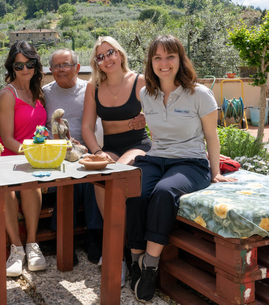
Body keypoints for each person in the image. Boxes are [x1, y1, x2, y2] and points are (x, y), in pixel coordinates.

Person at [127, 35, 237, 302]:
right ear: (150, 62)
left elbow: (212, 136)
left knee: (165, 192)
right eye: (157, 58)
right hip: (157, 157)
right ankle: (135, 259)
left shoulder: (199, 93)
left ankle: (150, 267)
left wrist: (215, 173)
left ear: (180, 59)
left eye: (170, 57)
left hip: (191, 162)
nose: (164, 63)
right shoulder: (146, 93)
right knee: (134, 192)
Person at [81, 37, 151, 271]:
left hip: (137, 143)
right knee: (101, 178)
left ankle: (122, 252)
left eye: (110, 52)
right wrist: (98, 153)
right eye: (100, 57)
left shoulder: (139, 81)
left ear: (120, 54)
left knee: (118, 174)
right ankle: (117, 252)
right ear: (96, 63)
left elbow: (161, 112)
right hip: (109, 146)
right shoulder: (94, 86)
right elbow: (86, 128)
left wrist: (146, 118)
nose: (106, 59)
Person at [43, 48, 104, 265]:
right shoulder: (45, 93)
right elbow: (41, 128)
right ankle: (64, 237)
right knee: (69, 180)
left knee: (92, 180)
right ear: (50, 70)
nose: (61, 70)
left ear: (77, 67)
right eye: (57, 66)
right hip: (57, 156)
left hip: (87, 152)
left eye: (66, 65)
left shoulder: (89, 89)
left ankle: (94, 236)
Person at [0, 41, 47, 277]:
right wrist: (30, 153)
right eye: (19, 65)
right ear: (11, 67)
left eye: (29, 63)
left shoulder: (38, 92)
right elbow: (6, 139)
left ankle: (32, 245)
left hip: (32, 158)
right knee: (6, 190)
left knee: (31, 186)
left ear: (36, 65)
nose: (25, 69)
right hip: (9, 157)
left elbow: (41, 131)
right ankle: (16, 248)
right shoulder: (8, 94)